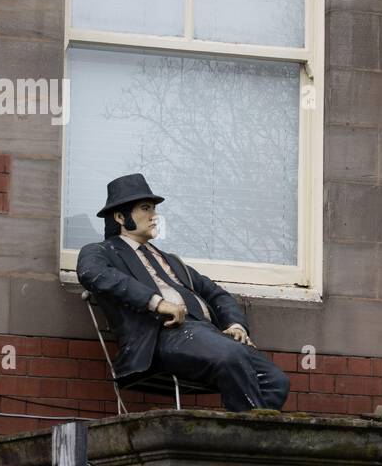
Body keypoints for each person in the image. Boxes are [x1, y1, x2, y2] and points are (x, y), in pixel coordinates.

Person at [77, 173, 289, 412]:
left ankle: (245, 438)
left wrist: (235, 325)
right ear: (120, 216)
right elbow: (91, 273)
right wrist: (156, 303)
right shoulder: (102, 252)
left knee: (276, 381)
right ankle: (247, 438)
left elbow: (217, 294)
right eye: (145, 208)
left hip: (207, 335)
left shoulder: (171, 261)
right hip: (162, 336)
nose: (154, 215)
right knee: (231, 357)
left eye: (153, 209)